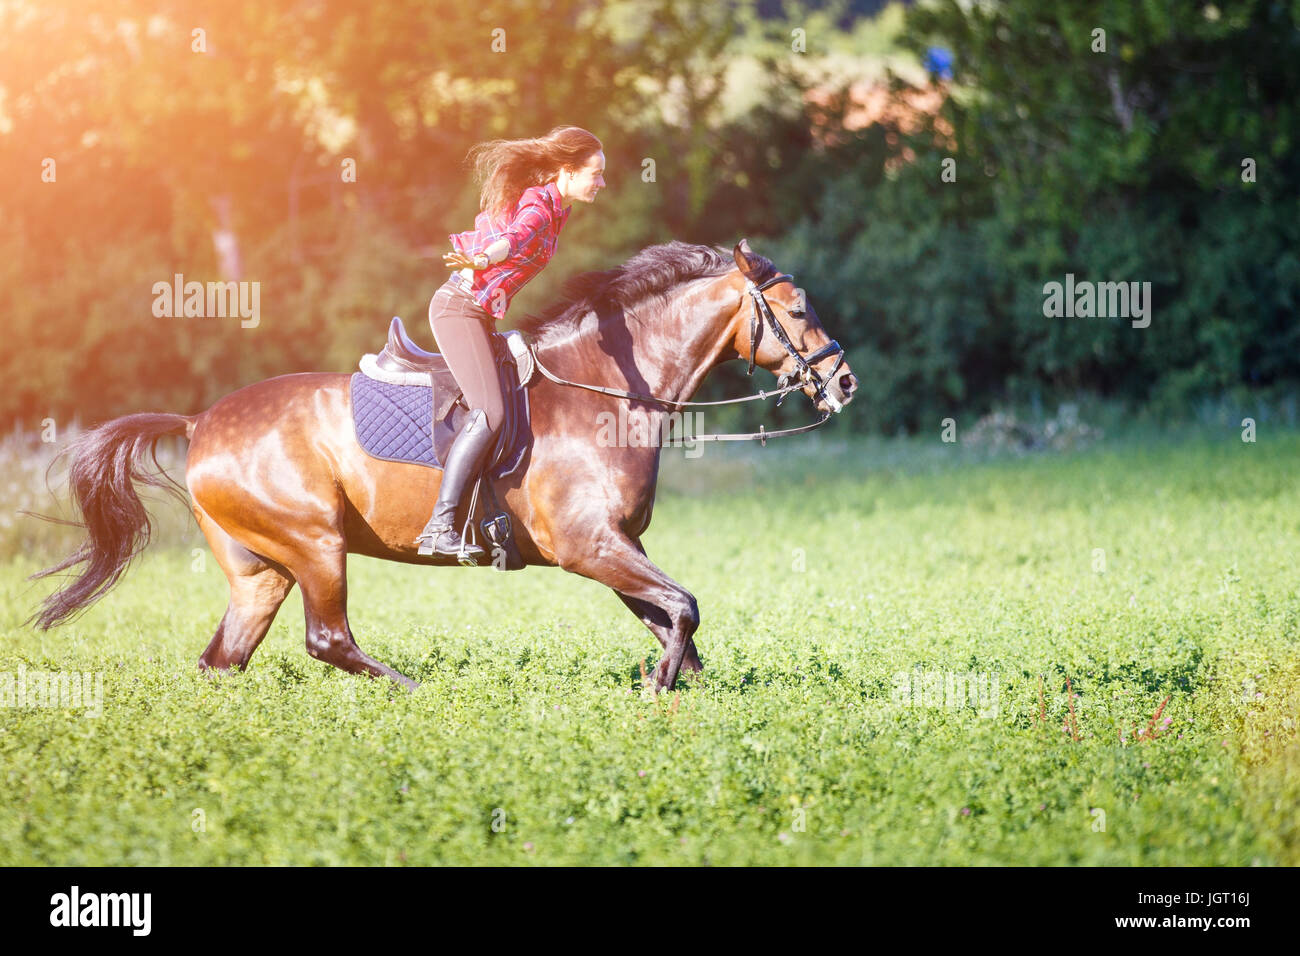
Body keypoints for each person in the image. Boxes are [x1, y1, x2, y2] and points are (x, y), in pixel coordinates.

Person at [415, 126, 606, 560]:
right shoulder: (541, 206)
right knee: (492, 412)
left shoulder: (559, 209)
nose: (602, 183)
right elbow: (517, 237)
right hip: (458, 309)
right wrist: (484, 258)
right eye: (595, 173)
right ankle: (439, 526)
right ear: (567, 171)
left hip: (479, 315)